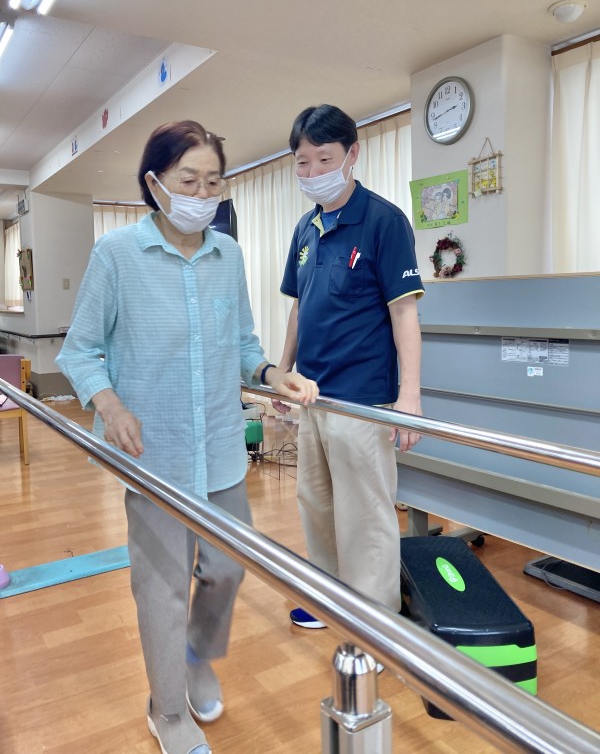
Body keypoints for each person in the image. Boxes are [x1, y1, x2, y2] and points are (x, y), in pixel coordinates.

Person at [56, 120, 318, 754]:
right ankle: (167, 708)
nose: (202, 194)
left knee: (227, 569)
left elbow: (243, 345)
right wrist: (110, 404)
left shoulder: (228, 256)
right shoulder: (117, 255)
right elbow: (79, 350)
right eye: (188, 180)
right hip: (155, 455)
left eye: (213, 182)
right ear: (154, 183)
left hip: (221, 448)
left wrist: (271, 374)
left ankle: (197, 654)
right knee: (162, 588)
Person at [275, 104, 424, 630]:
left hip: (363, 398)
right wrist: (282, 371)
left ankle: (376, 623)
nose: (313, 172)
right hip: (311, 394)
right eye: (303, 163)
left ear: (352, 154)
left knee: (365, 515)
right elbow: (299, 306)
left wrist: (409, 398)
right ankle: (330, 599)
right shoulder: (306, 228)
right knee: (317, 504)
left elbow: (404, 313)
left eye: (324, 159)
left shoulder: (384, 221)